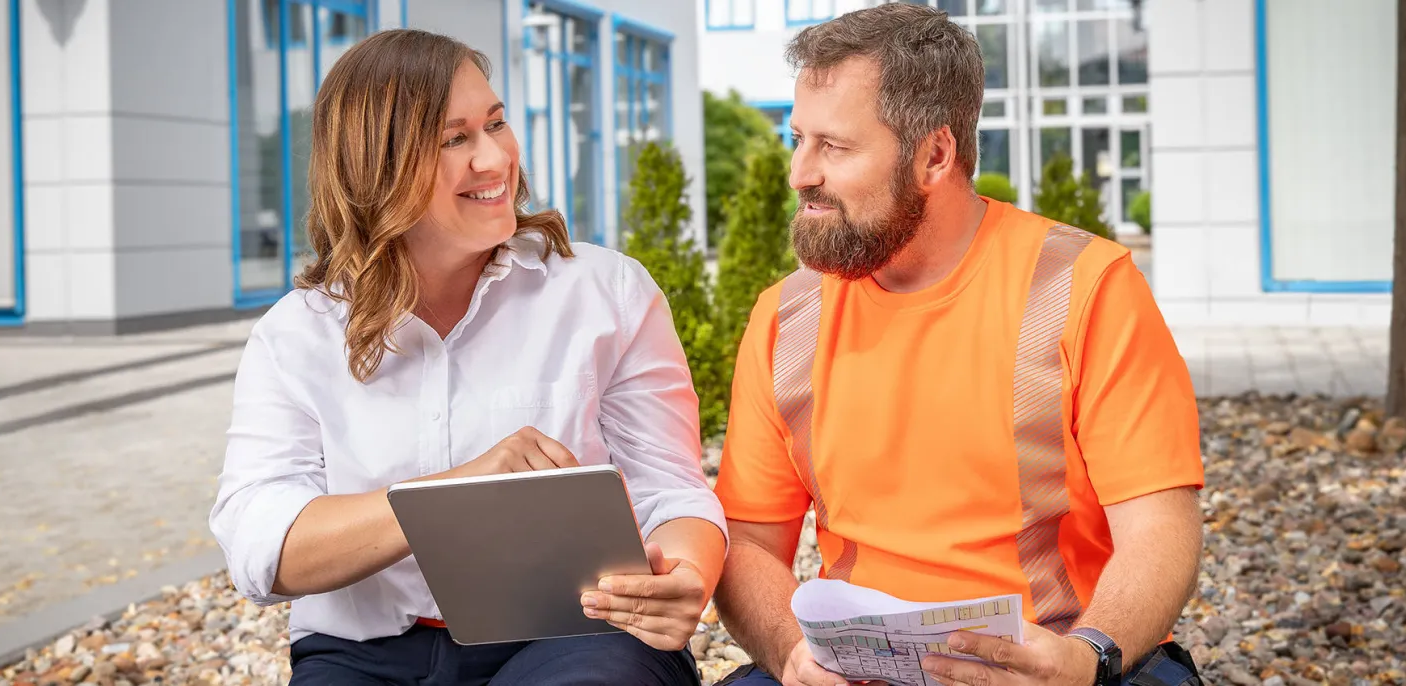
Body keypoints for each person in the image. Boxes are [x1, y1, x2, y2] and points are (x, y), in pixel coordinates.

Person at [207, 29, 726, 686]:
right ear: (376, 166)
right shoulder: (297, 336)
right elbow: (262, 549)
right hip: (365, 654)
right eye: (456, 139)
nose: (495, 158)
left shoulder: (607, 293)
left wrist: (686, 575)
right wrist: (458, 492)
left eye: (497, 123)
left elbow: (670, 491)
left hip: (577, 636)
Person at [709, 5, 1205, 686]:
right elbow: (749, 544)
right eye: (798, 139)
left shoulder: (1087, 288)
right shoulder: (785, 318)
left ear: (934, 155)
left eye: (835, 146)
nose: (800, 172)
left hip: (1053, 655)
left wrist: (1090, 654)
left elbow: (1161, 529)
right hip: (856, 668)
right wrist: (791, 652)